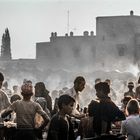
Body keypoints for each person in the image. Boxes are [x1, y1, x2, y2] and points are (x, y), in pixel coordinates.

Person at [0, 72, 11, 140]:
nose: (0, 85)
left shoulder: (3, 94)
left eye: (1, 83)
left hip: (1, 125)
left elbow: (9, 107)